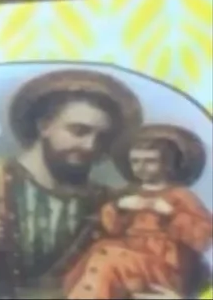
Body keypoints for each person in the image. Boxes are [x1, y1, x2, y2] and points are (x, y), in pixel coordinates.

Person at [0, 68, 142, 297]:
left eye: (101, 138)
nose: (90, 146)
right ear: (44, 125)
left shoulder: (109, 204)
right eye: (79, 131)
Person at [63, 123, 213, 299]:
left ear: (167, 164)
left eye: (150, 161)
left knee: (108, 257)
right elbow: (112, 228)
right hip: (126, 256)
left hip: (163, 265)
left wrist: (170, 214)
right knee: (98, 256)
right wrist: (119, 208)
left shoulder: (179, 195)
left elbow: (203, 238)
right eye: (135, 161)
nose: (141, 167)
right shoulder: (129, 193)